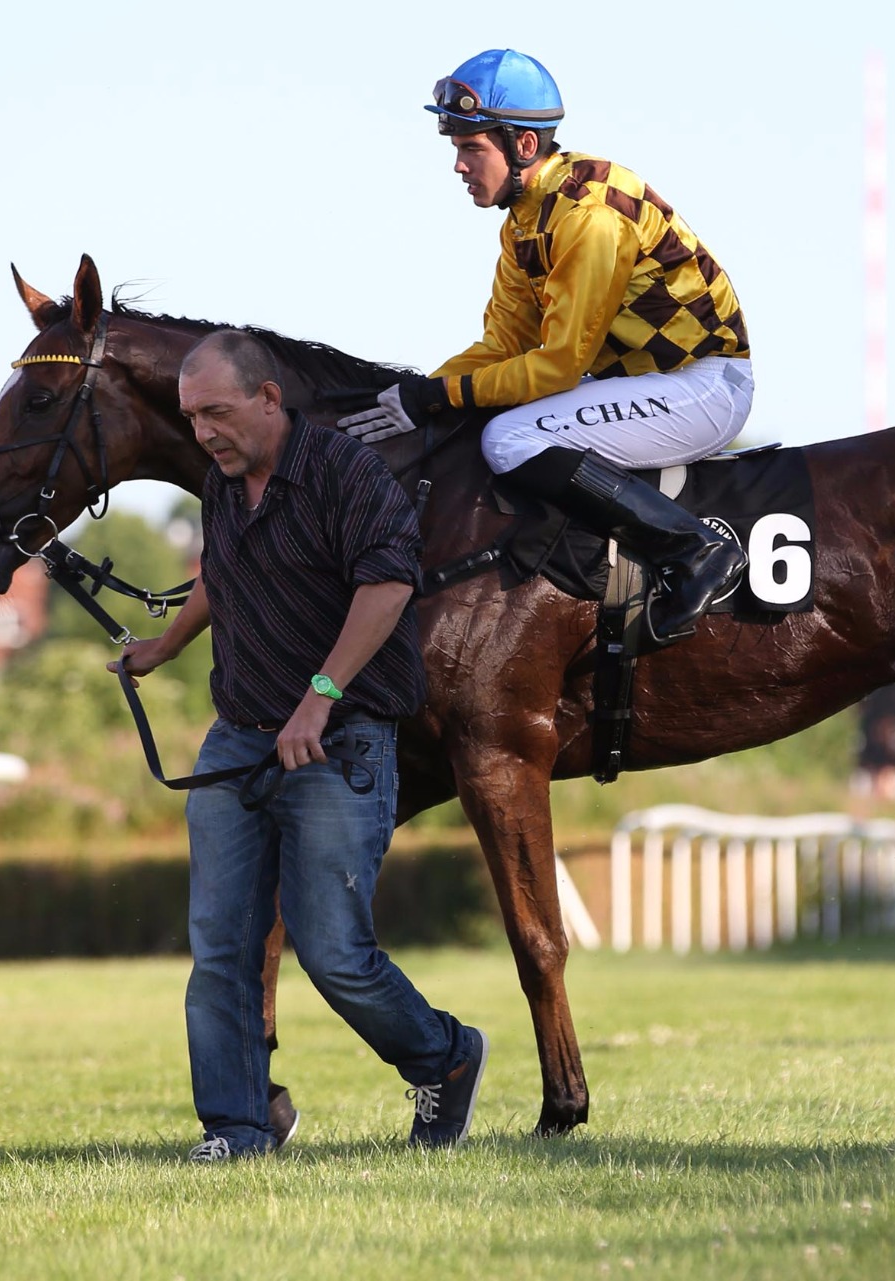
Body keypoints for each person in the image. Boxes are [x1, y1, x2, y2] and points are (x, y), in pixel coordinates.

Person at [113, 329, 486, 1158]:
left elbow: (388, 583)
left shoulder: (345, 472)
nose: (204, 430)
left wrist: (319, 698)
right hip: (236, 742)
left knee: (333, 951)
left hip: (338, 744)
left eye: (217, 411)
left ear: (270, 398)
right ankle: (238, 1128)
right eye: (192, 416)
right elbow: (222, 569)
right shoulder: (220, 483)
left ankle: (445, 1056)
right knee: (222, 948)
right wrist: (165, 647)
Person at [338, 48, 755, 646]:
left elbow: (557, 367)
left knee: (509, 436)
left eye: (470, 148)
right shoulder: (524, 220)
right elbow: (503, 345)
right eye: (456, 148)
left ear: (523, 147)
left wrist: (439, 396)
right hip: (636, 383)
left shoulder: (589, 217)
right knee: (481, 414)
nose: (458, 166)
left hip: (701, 386)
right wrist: (412, 393)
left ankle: (695, 548)